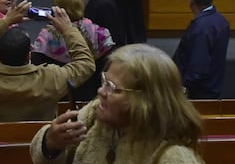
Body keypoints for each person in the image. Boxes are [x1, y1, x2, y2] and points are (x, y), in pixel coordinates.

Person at [30, 44, 204, 164]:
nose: (100, 92)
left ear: (145, 101)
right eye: (104, 81)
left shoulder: (173, 157)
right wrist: (50, 144)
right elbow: (43, 155)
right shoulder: (93, 116)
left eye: (113, 88)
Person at [0, 0, 95, 123]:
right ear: (28, 56)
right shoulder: (49, 79)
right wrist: (68, 29)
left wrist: (5, 21)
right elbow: (86, 63)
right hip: (35, 143)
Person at [32, 0, 115, 101]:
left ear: (57, 8)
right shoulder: (97, 32)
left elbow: (38, 68)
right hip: (90, 92)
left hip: (59, 92)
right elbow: (105, 65)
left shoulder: (47, 35)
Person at [172, 0, 230, 99]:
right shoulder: (221, 21)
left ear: (191, 0)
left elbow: (198, 66)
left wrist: (184, 88)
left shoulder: (200, 28)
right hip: (213, 87)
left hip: (198, 94)